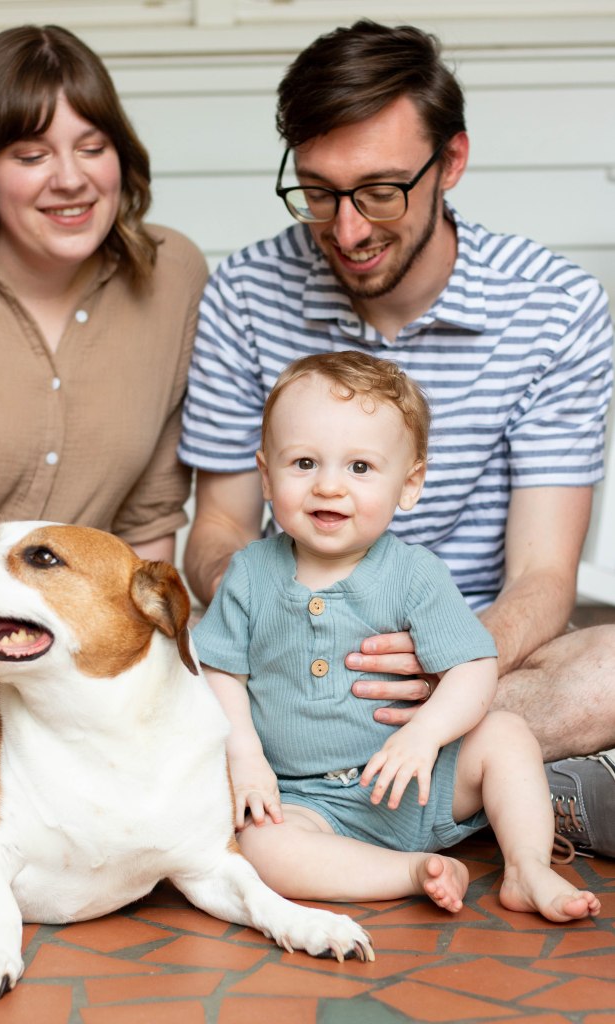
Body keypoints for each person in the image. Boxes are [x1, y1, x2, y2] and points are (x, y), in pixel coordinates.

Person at [178, 20, 615, 857]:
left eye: (380, 192)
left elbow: (541, 575)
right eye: (317, 192)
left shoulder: (554, 305)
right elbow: (221, 527)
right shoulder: (243, 292)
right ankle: (500, 794)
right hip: (291, 672)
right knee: (180, 680)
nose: (346, 231)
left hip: (470, 670)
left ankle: (374, 788)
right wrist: (277, 609)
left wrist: (443, 669)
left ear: (450, 161)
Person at [193, 351, 600, 919]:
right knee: (261, 846)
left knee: (506, 733)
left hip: (419, 780)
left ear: (409, 485)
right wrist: (245, 754)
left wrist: (425, 736)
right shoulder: (249, 573)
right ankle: (408, 872)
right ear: (267, 475)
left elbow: (473, 666)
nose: (329, 486)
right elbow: (220, 671)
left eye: (360, 467)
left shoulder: (414, 574)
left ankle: (527, 867)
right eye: (304, 463)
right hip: (304, 798)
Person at [0, 24, 207, 623]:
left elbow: (147, 527)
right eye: (32, 156)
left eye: (92, 147)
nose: (71, 179)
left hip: (78, 657)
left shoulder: (173, 275)